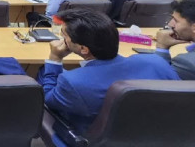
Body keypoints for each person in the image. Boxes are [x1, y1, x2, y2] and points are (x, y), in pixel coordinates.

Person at [37, 9, 179, 144]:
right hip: (162, 138)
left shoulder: (73, 82)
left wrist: (55, 59)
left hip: (93, 141)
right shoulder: (157, 63)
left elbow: (48, 99)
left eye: (64, 37)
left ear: (83, 49)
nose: (62, 40)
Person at [155, 0, 195, 79]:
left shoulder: (185, 62)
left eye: (176, 21)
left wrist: (162, 46)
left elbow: (158, 78)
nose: (170, 25)